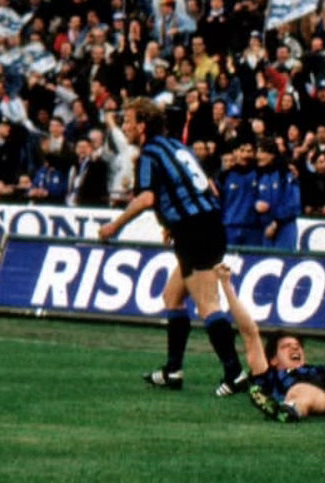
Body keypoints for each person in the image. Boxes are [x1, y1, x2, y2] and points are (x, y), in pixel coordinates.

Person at [98, 97, 248, 397]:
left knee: (207, 304)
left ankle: (235, 373)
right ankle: (173, 370)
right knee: (173, 296)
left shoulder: (149, 155)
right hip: (206, 223)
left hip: (193, 230)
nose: (125, 127)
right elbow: (208, 186)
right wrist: (171, 222)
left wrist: (115, 226)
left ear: (142, 125)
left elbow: (147, 198)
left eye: (128, 121)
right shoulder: (179, 147)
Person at [216, 262, 325, 422]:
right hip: (309, 393)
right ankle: (288, 411)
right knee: (302, 392)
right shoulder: (269, 376)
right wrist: (226, 285)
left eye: (297, 346)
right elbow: (250, 333)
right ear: (273, 360)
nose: (295, 348)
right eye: (286, 347)